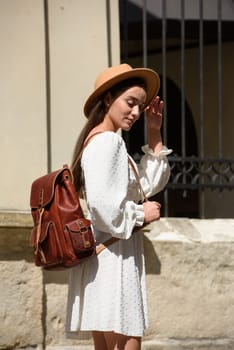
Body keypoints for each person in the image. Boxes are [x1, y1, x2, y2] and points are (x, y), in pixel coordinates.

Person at [66, 63, 172, 350]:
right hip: (113, 256)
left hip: (105, 253)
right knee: (127, 339)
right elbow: (104, 208)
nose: (136, 112)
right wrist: (141, 214)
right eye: (130, 102)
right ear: (108, 99)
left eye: (140, 105)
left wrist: (154, 134)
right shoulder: (108, 143)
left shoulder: (97, 141)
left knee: (107, 343)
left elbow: (143, 186)